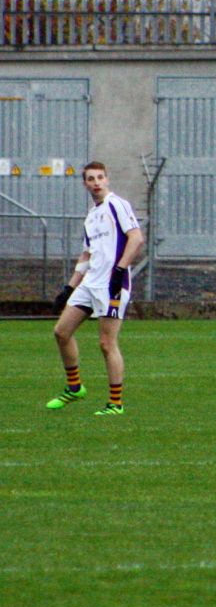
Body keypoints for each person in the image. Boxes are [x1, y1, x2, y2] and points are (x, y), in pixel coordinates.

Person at [46, 161, 144, 416]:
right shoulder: (91, 216)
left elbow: (136, 238)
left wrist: (120, 269)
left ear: (107, 179)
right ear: (85, 183)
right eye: (91, 179)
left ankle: (115, 404)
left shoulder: (117, 205)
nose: (97, 182)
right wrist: (69, 288)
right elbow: (87, 255)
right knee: (61, 332)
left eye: (100, 177)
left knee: (106, 343)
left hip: (112, 285)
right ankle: (75, 387)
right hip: (90, 284)